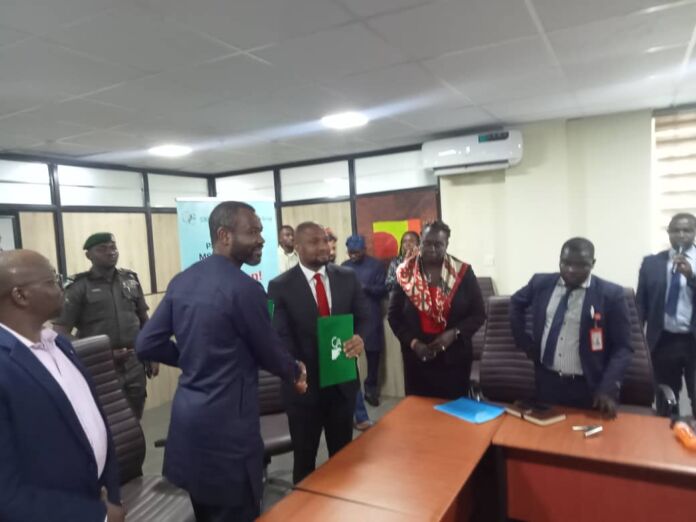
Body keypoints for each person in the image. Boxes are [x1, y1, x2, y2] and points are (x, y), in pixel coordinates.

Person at [136, 202, 307, 522]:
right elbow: (270, 352)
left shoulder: (182, 281)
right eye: (252, 232)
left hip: (188, 426)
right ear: (224, 235)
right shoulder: (246, 289)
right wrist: (295, 372)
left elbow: (146, 343)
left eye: (261, 231)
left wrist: (190, 359)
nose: (261, 239)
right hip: (230, 434)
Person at [0, 250, 123, 522]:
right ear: (20, 295)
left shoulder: (60, 345)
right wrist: (97, 516)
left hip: (100, 497)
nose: (61, 287)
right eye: (52, 280)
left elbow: (93, 425)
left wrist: (111, 497)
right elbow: (6, 494)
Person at [268, 222, 367, 484]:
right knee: (305, 462)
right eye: (314, 242)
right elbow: (277, 335)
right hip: (304, 389)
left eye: (324, 240)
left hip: (341, 387)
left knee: (343, 461)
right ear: (297, 247)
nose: (324, 247)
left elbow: (365, 317)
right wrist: (293, 365)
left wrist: (360, 337)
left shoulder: (347, 277)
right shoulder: (279, 286)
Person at [510, 238, 633, 418]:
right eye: (566, 263)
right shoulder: (541, 283)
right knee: (547, 430)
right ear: (559, 260)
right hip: (547, 381)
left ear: (593, 263)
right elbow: (515, 303)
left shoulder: (611, 294)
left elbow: (623, 347)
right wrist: (524, 342)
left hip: (588, 386)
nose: (571, 270)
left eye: (581, 265)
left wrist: (608, 387)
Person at [53, 233, 156, 420]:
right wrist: (97, 353)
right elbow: (61, 332)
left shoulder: (130, 280)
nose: (110, 252)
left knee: (134, 416)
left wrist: (152, 354)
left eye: (113, 247)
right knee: (105, 420)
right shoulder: (78, 286)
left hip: (134, 362)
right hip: (100, 365)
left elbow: (143, 319)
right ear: (89, 255)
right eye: (102, 249)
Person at [388, 220, 485, 399]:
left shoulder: (462, 272)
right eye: (427, 243)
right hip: (416, 360)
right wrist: (414, 343)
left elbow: (478, 314)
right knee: (419, 411)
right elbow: (394, 317)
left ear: (447, 244)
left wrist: (454, 333)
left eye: (438, 244)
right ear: (420, 241)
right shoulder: (405, 273)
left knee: (454, 411)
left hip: (454, 360)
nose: (432, 249)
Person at [637, 213, 696, 416]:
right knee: (666, 401)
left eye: (687, 230)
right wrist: (636, 343)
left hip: (693, 341)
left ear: (694, 233)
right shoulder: (651, 263)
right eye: (676, 230)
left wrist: (691, 276)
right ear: (668, 232)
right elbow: (640, 305)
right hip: (663, 341)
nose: (681, 235)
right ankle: (667, 435)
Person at [325, 228, 371, 431]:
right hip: (319, 337)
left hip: (342, 335)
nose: (331, 252)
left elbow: (362, 312)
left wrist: (357, 335)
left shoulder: (343, 274)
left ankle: (360, 416)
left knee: (349, 378)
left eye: (334, 248)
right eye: (328, 247)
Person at [341, 234, 387, 406]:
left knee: (373, 353)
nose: (353, 255)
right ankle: (352, 392)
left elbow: (384, 289)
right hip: (349, 316)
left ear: (364, 250)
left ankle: (371, 389)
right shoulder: (344, 267)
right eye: (350, 252)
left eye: (357, 252)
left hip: (371, 315)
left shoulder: (376, 265)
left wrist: (366, 288)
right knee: (349, 354)